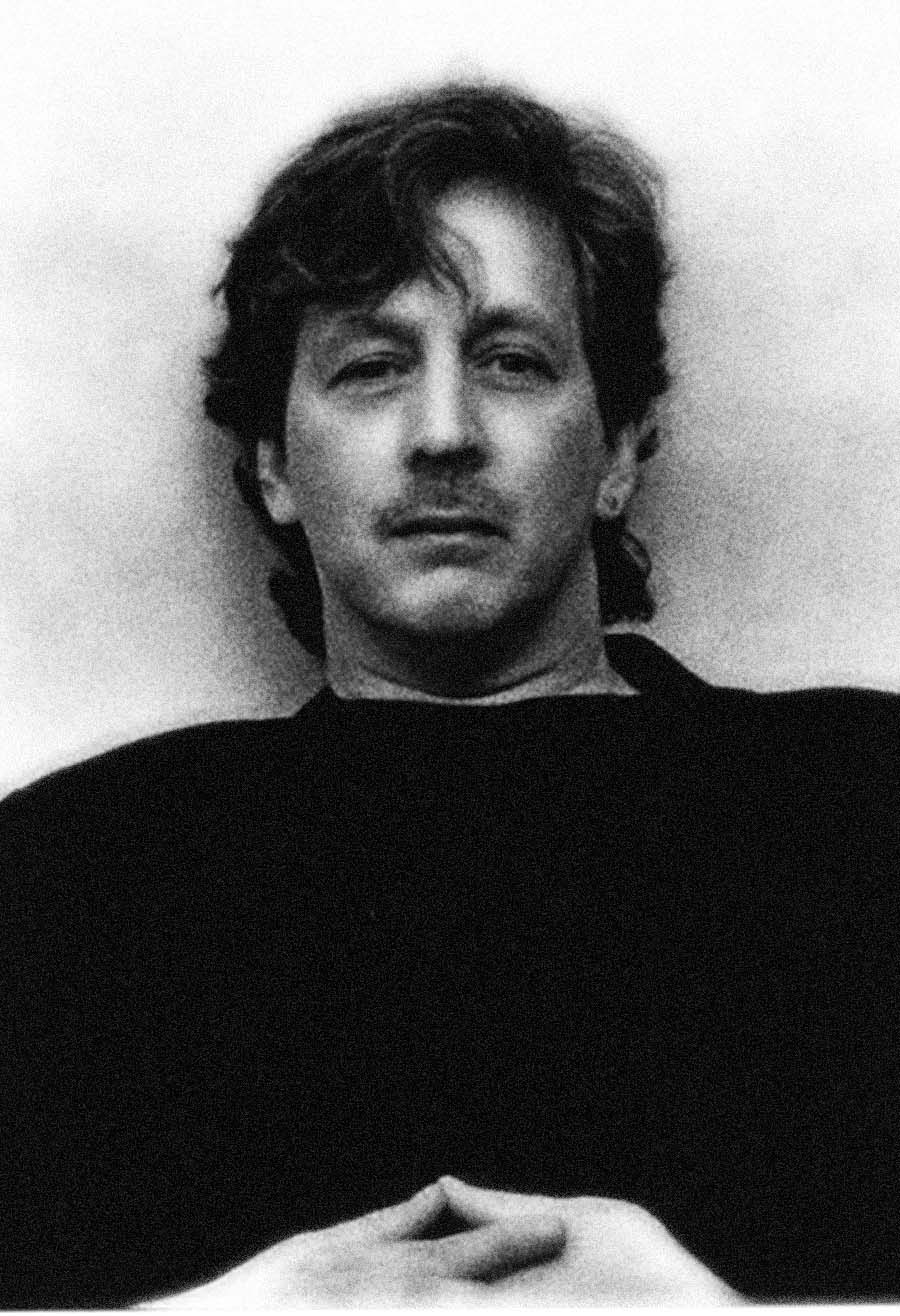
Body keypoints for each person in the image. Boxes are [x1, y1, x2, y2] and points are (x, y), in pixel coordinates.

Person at [2, 81, 899, 1308]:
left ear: (620, 446)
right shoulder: (70, 876)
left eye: (512, 361)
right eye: (372, 367)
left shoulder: (861, 806)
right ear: (272, 463)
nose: (443, 432)